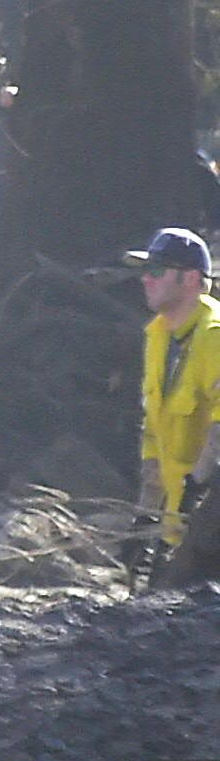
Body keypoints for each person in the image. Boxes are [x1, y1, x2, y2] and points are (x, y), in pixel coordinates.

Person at [140, 227, 219, 548]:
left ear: (189, 279)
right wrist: (144, 518)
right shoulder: (158, 334)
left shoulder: (214, 335)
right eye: (145, 270)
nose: (146, 279)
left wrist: (197, 493)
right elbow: (152, 434)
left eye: (157, 270)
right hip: (179, 530)